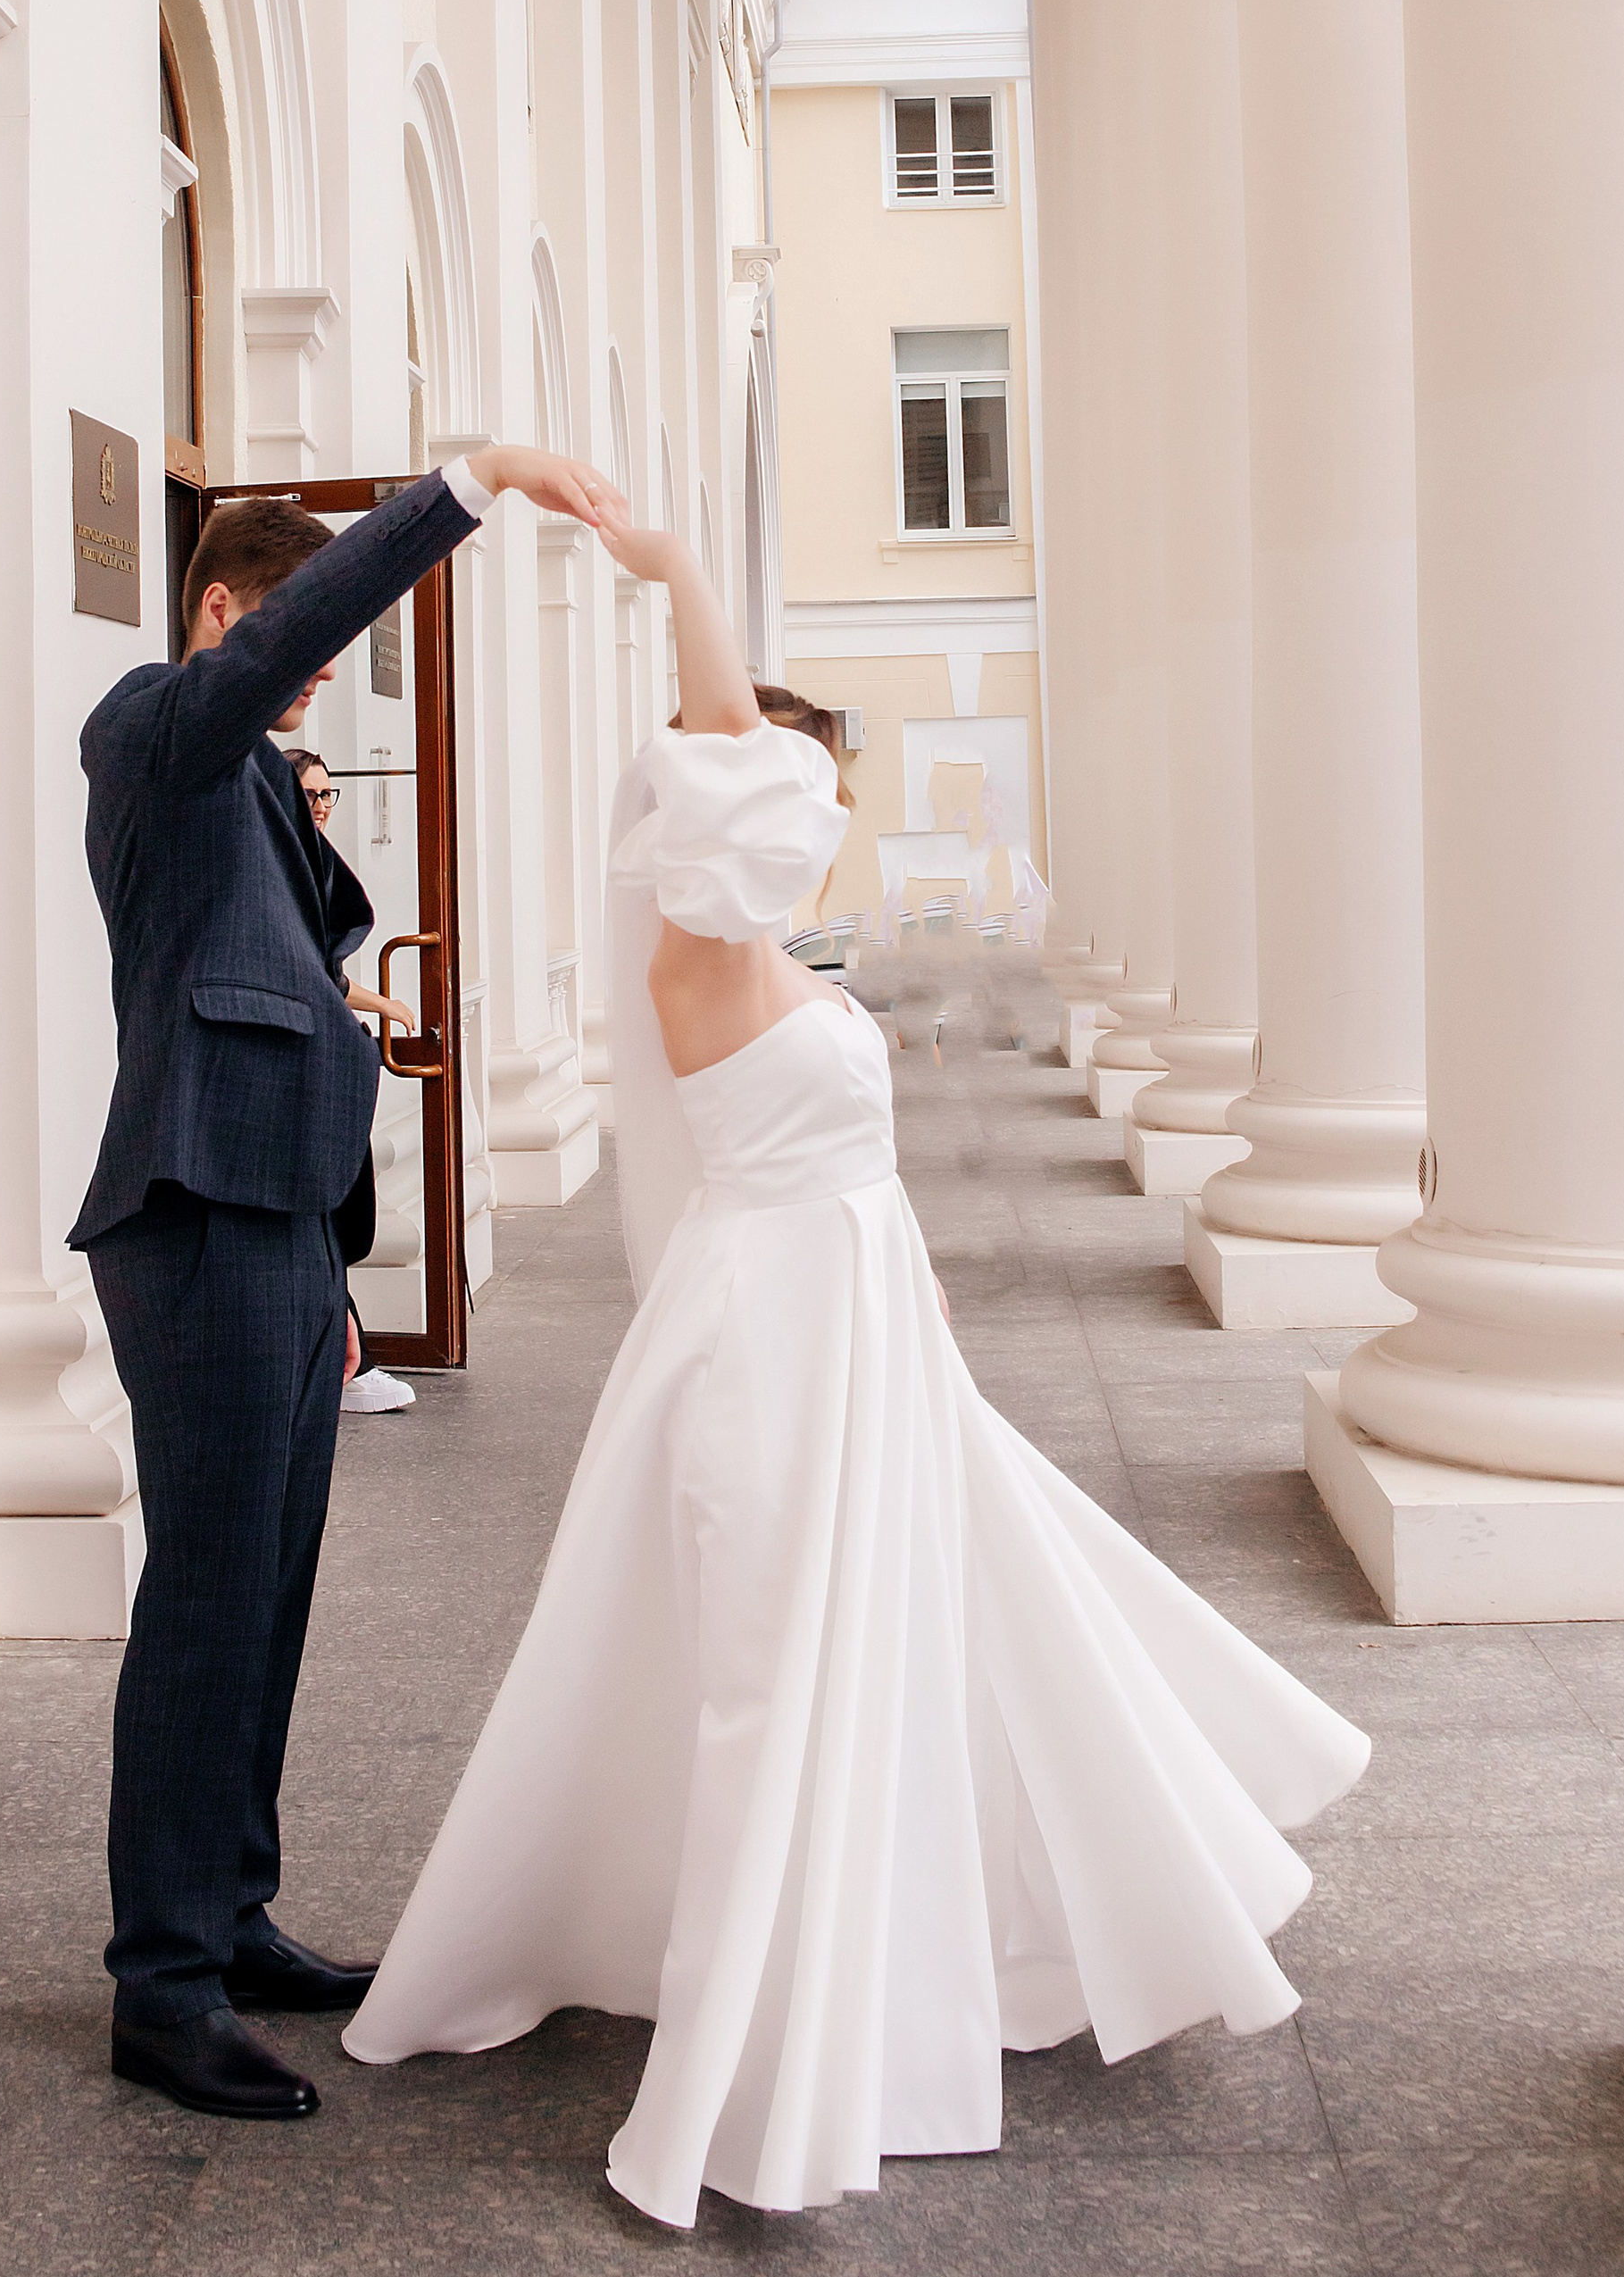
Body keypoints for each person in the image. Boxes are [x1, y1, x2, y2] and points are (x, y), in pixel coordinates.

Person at [346, 516, 1370, 2226]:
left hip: (860, 1315)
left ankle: (956, 1919)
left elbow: (855, 1143)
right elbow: (731, 794)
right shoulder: (708, 948)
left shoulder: (792, 960)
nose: (824, 818)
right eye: (802, 794)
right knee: (779, 1660)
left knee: (963, 1601)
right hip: (773, 1336)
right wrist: (677, 576)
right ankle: (776, 2013)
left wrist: (927, 1302)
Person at [73, 445, 623, 2126]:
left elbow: (271, 967)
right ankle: (161, 1984)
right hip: (195, 1215)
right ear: (224, 611)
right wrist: (468, 486)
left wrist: (311, 853)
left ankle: (232, 1919)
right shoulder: (150, 722)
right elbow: (267, 659)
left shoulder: (243, 777)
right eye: (292, 652)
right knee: (207, 1601)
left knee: (271, 1595)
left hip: (280, 1221)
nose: (311, 682)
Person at [281, 747, 419, 1420]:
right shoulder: (281, 870)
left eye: (328, 795)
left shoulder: (310, 867)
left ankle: (345, 1354)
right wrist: (379, 1008)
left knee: (337, 1223)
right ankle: (348, 1357)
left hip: (328, 1071)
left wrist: (385, 1008)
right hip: (303, 1078)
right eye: (309, 796)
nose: (322, 808)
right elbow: (318, 976)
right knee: (326, 1225)